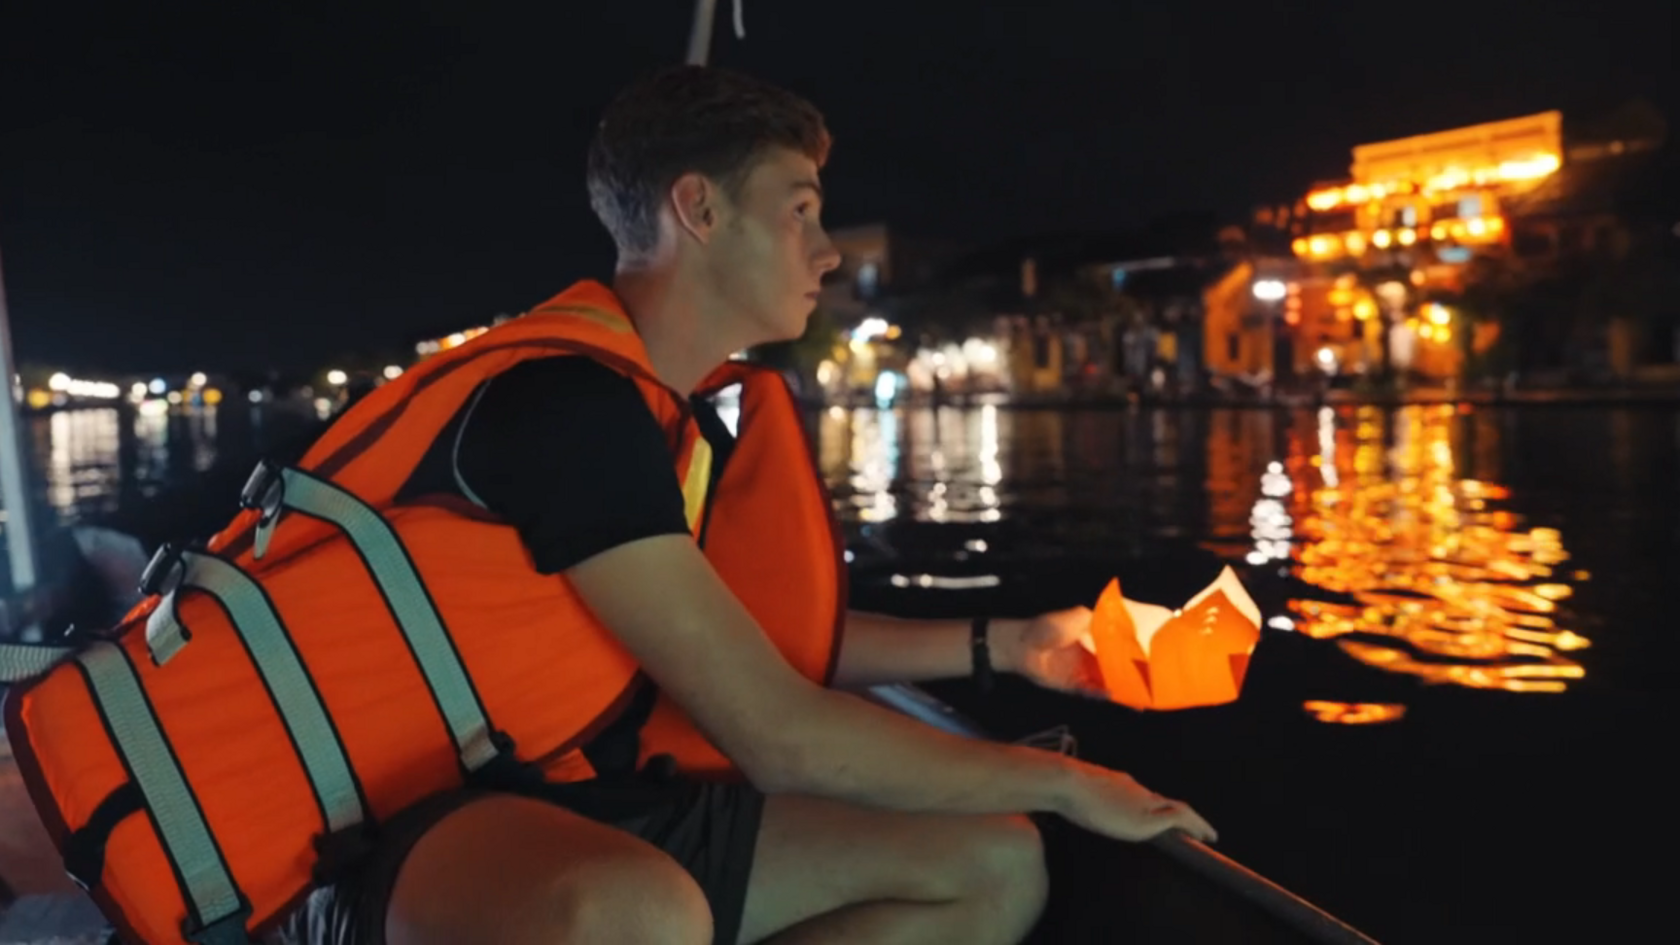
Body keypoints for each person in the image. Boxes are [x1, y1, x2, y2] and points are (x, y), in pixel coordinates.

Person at [278, 65, 1215, 945]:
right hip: (401, 833)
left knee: (996, 862)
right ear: (700, 208)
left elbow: (750, 644)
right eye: (800, 213)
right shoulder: (570, 410)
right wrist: (1068, 783)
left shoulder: (662, 417)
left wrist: (1011, 644)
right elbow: (781, 736)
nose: (826, 252)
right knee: (638, 910)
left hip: (563, 789)